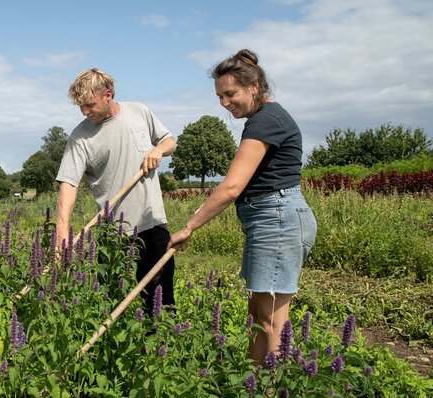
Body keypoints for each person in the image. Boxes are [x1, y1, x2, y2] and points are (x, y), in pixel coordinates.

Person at [169, 49, 317, 365]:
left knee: (271, 321)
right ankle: (252, 386)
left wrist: (190, 227)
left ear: (253, 87)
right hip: (270, 218)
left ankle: (270, 396)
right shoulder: (264, 119)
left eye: (230, 94)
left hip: (277, 219)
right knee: (259, 313)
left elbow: (232, 187)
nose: (224, 103)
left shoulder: (266, 121)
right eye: (220, 96)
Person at [55, 68, 176, 314]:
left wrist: (158, 150)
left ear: (108, 94)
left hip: (153, 224)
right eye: (80, 107)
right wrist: (61, 228)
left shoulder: (139, 112)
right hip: (114, 235)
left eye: (89, 105)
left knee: (161, 304)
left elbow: (170, 141)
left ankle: (162, 351)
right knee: (111, 305)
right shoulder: (80, 137)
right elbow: (69, 182)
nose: (85, 112)